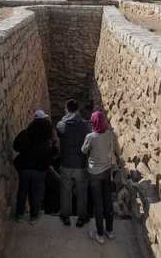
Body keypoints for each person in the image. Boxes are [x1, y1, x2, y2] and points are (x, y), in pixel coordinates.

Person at [13, 109, 54, 224]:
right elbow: (50, 154)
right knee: (36, 193)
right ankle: (33, 217)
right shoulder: (46, 138)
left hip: (24, 168)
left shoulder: (25, 133)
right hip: (39, 170)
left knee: (22, 191)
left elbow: (16, 146)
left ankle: (19, 215)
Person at [81, 110, 115, 244]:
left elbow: (83, 150)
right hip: (107, 171)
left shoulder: (90, 137)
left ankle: (100, 234)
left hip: (94, 173)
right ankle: (110, 231)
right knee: (108, 201)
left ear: (93, 122)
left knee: (98, 204)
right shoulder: (110, 134)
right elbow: (111, 150)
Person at [56, 98, 91, 227]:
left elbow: (59, 132)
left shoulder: (62, 124)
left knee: (66, 191)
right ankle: (82, 218)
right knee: (82, 192)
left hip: (66, 163)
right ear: (77, 110)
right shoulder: (85, 125)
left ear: (67, 109)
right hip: (80, 164)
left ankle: (65, 216)